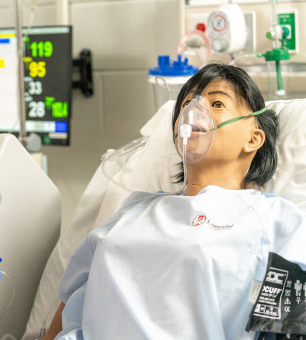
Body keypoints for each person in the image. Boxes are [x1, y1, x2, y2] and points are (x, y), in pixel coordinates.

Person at [41, 63, 306, 339]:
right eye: (188, 103)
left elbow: (294, 323)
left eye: (217, 103)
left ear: (253, 138)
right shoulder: (133, 209)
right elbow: (70, 303)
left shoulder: (276, 220)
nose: (195, 111)